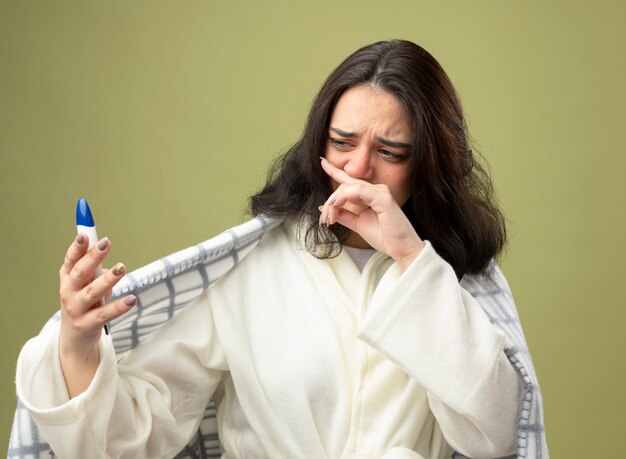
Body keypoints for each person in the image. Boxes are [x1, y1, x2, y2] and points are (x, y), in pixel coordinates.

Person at [15, 40, 541, 458]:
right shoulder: (249, 271)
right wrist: (80, 344)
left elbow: (495, 435)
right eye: (342, 143)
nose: (358, 169)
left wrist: (410, 257)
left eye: (390, 152)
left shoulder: (453, 280)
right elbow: (131, 441)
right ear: (317, 144)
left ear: (429, 164)